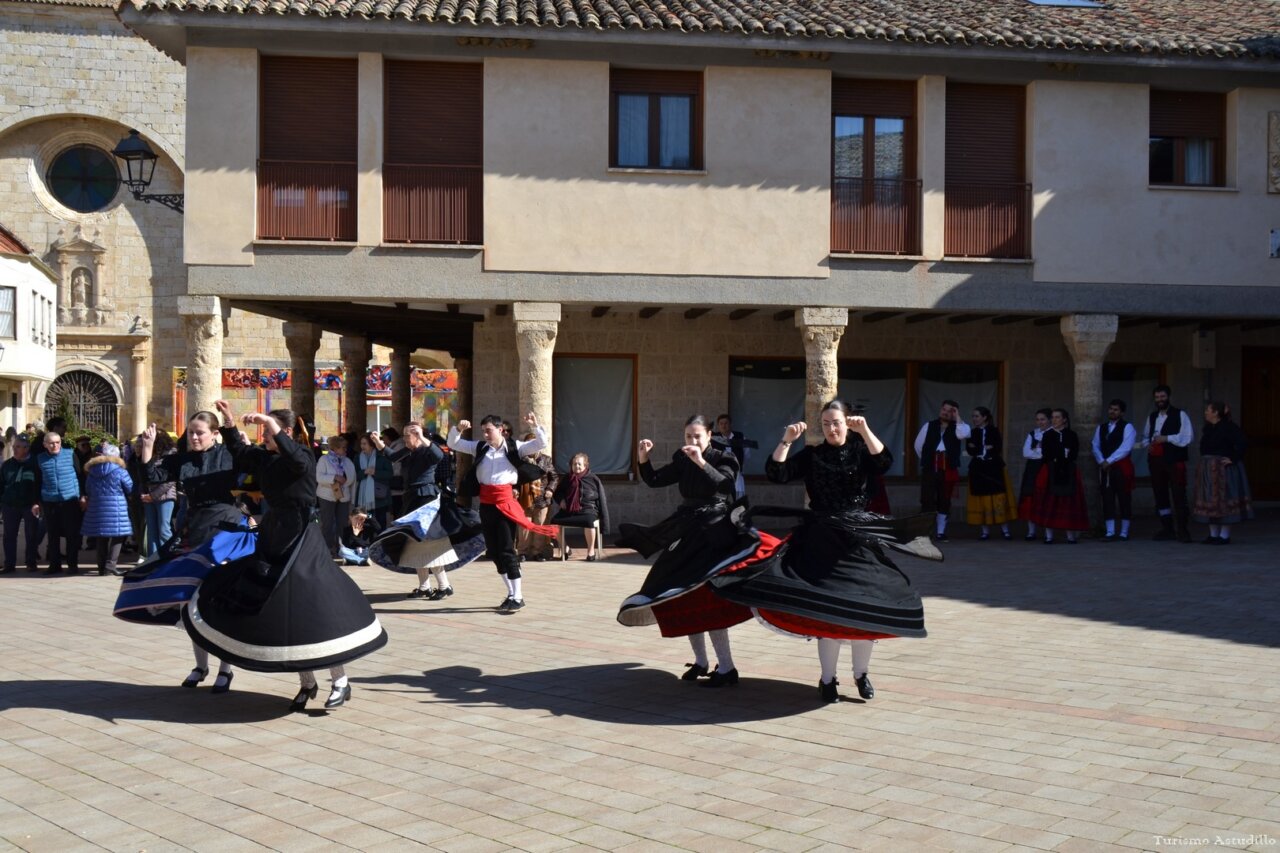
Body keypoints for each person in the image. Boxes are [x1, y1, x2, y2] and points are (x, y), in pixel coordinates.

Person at [711, 400, 934, 703]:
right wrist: (786, 441)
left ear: (847, 423)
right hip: (821, 540)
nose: (831, 428)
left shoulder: (860, 449)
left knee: (867, 609)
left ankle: (861, 674)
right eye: (826, 423)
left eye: (836, 422)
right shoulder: (814, 455)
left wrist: (865, 430)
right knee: (827, 610)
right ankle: (828, 679)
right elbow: (778, 472)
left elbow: (884, 462)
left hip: (858, 540)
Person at [185, 408, 388, 711]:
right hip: (273, 535)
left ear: (286, 433)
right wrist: (229, 424)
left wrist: (270, 424)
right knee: (280, 612)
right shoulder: (268, 459)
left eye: (268, 431)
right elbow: (240, 451)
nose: (263, 436)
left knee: (312, 608)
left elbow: (295, 459)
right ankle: (307, 682)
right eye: (264, 431)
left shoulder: (304, 457)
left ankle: (340, 680)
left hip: (302, 538)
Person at [618, 415, 749, 687]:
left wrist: (700, 461)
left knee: (709, 600)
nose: (692, 441)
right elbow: (654, 480)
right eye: (688, 436)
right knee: (680, 593)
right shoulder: (682, 458)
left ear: (709, 436)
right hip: (687, 529)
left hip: (715, 534)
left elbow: (724, 485)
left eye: (697, 436)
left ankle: (727, 667)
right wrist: (643, 457)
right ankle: (701, 662)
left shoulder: (725, 457)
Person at [141, 403, 246, 692]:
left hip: (226, 527)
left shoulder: (227, 454)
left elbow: (245, 457)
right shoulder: (183, 459)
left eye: (200, 433)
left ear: (214, 434)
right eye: (191, 433)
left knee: (222, 600)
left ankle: (226, 670)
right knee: (192, 600)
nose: (194, 437)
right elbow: (153, 478)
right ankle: (201, 666)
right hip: (195, 526)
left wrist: (230, 424)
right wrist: (147, 448)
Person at [448, 413, 559, 612]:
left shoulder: (515, 446)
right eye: (483, 431)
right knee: (494, 550)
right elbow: (454, 444)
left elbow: (541, 443)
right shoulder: (480, 447)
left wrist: (535, 426)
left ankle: (518, 596)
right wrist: (458, 430)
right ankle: (510, 593)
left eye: (488, 430)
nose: (485, 435)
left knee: (507, 549)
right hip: (486, 504)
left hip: (505, 504)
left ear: (500, 430)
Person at [1138, 385, 1194, 543]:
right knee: (1160, 495)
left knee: (1178, 495)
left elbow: (1187, 437)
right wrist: (1147, 444)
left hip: (1174, 460)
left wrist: (1167, 438)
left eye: (1162, 397)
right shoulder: (1152, 416)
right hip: (1156, 461)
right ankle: (1167, 529)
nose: (1160, 400)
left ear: (1168, 397)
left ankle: (1183, 531)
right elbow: (1146, 436)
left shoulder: (1180, 414)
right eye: (1157, 397)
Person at [1193, 401, 1253, 544]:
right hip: (1208, 470)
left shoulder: (1229, 427)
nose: (1206, 413)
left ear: (1216, 412)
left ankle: (1224, 535)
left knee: (1225, 499)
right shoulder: (1208, 428)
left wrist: (1232, 458)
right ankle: (1213, 534)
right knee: (1210, 501)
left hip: (1223, 470)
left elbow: (1242, 443)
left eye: (1208, 410)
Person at [914, 400, 971, 541]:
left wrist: (957, 417)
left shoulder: (958, 427)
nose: (945, 412)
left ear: (954, 413)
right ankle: (925, 531)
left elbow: (965, 434)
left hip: (948, 468)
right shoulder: (929, 425)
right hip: (930, 467)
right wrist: (928, 459)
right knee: (927, 498)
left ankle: (940, 532)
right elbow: (918, 445)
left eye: (950, 410)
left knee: (944, 499)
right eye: (944, 409)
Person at [1031, 409, 1089, 544]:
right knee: (1050, 501)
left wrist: (1063, 455)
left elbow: (1074, 453)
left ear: (1064, 419)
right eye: (1053, 417)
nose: (1054, 420)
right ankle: (1049, 536)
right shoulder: (1048, 435)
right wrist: (1061, 453)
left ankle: (1070, 536)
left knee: (1069, 502)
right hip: (1052, 470)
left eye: (1057, 417)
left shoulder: (1071, 434)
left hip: (1068, 470)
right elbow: (1047, 453)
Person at [33, 430, 85, 575]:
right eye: (51, 443)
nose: (55, 445)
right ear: (45, 445)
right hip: (50, 501)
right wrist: (36, 502)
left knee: (72, 534)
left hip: (70, 500)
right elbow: (37, 482)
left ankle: (72, 565)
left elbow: (80, 476)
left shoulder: (70, 454)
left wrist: (82, 496)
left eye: (57, 442)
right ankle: (54, 565)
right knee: (52, 534)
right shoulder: (40, 459)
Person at [81, 442, 135, 576]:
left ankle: (101, 567)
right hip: (117, 508)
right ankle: (110, 565)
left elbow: (88, 489)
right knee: (118, 536)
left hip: (97, 507)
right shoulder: (120, 471)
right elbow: (129, 488)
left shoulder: (92, 471)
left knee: (101, 537)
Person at [965, 407, 1017, 540]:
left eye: (977, 416)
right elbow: (970, 450)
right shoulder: (972, 432)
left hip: (993, 467)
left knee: (998, 497)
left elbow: (996, 448)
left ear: (985, 417)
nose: (974, 419)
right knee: (981, 497)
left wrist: (979, 448)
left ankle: (1005, 530)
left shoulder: (994, 431)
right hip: (978, 468)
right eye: (973, 416)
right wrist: (983, 448)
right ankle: (985, 531)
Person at [550, 452, 610, 561]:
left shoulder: (593, 479)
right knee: (554, 523)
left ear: (585, 465)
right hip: (569, 510)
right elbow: (558, 492)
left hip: (588, 509)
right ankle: (565, 548)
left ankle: (591, 551)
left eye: (579, 464)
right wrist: (561, 500)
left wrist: (604, 521)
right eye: (574, 464)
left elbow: (602, 499)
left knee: (589, 521)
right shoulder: (567, 478)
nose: (576, 466)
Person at [1092, 399, 1137, 542]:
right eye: (1111, 409)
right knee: (1107, 498)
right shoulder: (1102, 427)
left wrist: (1109, 460)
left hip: (1121, 467)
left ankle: (1124, 532)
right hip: (1106, 468)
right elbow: (1095, 445)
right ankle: (1110, 532)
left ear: (1122, 412)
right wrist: (1101, 460)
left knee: (1124, 498)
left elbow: (1126, 447)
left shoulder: (1127, 427)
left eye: (1116, 409)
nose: (1112, 411)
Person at [378, 423, 444, 515]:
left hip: (425, 495)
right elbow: (394, 457)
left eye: (407, 436)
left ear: (417, 436)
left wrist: (421, 436)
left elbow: (439, 456)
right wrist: (378, 442)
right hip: (409, 495)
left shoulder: (427, 449)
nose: (404, 439)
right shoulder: (408, 450)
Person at [1, 435, 41, 573]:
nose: (16, 450)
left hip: (30, 505)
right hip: (10, 505)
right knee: (9, 535)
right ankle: (9, 564)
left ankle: (31, 562)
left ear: (27, 448)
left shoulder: (35, 464)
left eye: (20, 447)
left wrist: (37, 502)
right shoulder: (7, 465)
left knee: (31, 534)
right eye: (15, 447)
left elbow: (40, 484)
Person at [516, 434, 558, 562]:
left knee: (539, 525)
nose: (532, 447)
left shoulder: (546, 460)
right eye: (529, 444)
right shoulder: (520, 460)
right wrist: (515, 490)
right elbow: (515, 478)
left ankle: (537, 552)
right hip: (524, 498)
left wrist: (550, 489)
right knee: (524, 527)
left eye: (534, 443)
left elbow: (554, 477)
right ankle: (523, 552)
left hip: (541, 499)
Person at [316, 435, 356, 557]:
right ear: (335, 448)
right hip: (326, 496)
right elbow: (319, 478)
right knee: (327, 523)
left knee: (342, 523)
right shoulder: (324, 460)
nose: (345, 450)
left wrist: (352, 501)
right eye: (343, 447)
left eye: (345, 447)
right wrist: (334, 478)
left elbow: (353, 482)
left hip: (344, 497)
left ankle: (341, 548)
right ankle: (327, 549)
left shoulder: (348, 461)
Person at [141, 430, 178, 556]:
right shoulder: (149, 453)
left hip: (165, 497)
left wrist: (153, 495)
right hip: (148, 496)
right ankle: (153, 560)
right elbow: (144, 475)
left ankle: (168, 558)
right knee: (151, 531)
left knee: (164, 529)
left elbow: (170, 481)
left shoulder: (172, 454)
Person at [1018, 409, 1051, 541]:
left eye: (1042, 419)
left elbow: (1049, 453)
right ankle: (1031, 531)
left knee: (1045, 498)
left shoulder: (1052, 434)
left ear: (1049, 420)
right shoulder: (1032, 434)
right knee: (1030, 496)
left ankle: (1048, 532)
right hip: (1032, 469)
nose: (1040, 422)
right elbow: (1026, 453)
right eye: (1037, 419)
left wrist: (1036, 450)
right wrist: (1040, 450)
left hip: (1047, 468)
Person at [354, 433, 393, 528]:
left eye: (365, 444)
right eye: (361, 444)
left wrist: (375, 472)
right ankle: (368, 540)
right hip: (363, 496)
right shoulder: (357, 457)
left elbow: (389, 474)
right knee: (367, 519)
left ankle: (381, 539)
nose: (362, 446)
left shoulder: (382, 456)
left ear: (372, 444)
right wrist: (364, 472)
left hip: (379, 494)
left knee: (380, 520)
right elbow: (355, 476)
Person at [710, 414, 752, 499]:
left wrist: (740, 465)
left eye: (726, 423)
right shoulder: (714, 439)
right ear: (718, 425)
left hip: (737, 474)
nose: (724, 426)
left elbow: (747, 453)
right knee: (721, 499)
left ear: (730, 424)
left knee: (737, 500)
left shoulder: (739, 436)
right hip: (720, 474)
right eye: (721, 423)